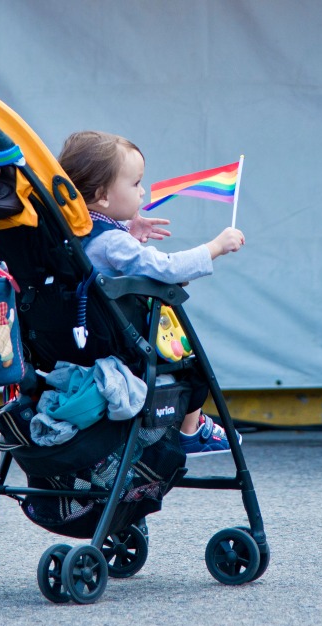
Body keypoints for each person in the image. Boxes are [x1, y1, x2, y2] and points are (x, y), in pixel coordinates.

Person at [58, 130, 244, 457]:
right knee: (193, 365)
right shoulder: (112, 243)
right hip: (124, 348)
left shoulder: (69, 233)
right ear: (102, 195)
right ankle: (192, 430)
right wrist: (216, 247)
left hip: (76, 344)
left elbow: (102, 253)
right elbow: (167, 269)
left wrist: (125, 229)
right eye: (135, 184)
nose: (143, 191)